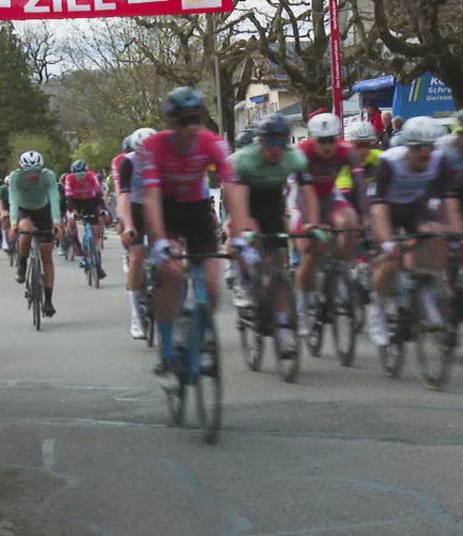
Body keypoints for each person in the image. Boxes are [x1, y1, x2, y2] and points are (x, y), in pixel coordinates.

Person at [136, 86, 234, 378]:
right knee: (172, 273)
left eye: (197, 119)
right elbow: (151, 198)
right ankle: (167, 350)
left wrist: (238, 233)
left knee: (213, 288)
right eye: (183, 121)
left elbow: (233, 187)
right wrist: (161, 242)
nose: (191, 127)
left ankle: (200, 341)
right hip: (164, 211)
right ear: (171, 124)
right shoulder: (153, 147)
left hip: (196, 210)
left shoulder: (211, 142)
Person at [365, 116, 461, 347]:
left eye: (429, 147)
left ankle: (426, 289)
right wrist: (388, 243)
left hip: (415, 208)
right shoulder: (389, 162)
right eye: (418, 148)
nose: (425, 153)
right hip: (387, 210)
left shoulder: (440, 161)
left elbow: (448, 200)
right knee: (391, 258)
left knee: (435, 237)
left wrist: (456, 233)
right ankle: (377, 310)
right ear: (407, 147)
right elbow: (379, 209)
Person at [226, 114, 314, 352]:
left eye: (280, 143)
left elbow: (308, 193)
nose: (275, 150)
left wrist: (312, 224)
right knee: (247, 237)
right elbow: (239, 204)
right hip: (245, 198)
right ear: (260, 142)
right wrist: (245, 227)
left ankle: (284, 326)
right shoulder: (245, 160)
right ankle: (243, 281)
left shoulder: (294, 158)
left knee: (280, 266)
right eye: (269, 143)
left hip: (272, 202)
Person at [294, 112, 364, 336]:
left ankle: (342, 270)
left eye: (331, 140)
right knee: (311, 252)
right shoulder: (301, 153)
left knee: (349, 222)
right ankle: (303, 306)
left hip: (329, 197)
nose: (327, 146)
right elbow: (304, 193)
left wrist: (367, 218)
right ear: (312, 139)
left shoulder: (347, 151)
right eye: (322, 141)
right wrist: (313, 224)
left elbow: (360, 186)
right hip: (302, 200)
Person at [8, 150, 64, 317]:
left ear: (42, 169)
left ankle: (48, 300)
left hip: (43, 210)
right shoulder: (16, 177)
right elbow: (13, 200)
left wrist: (57, 223)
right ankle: (22, 262)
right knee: (25, 230)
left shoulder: (48, 176)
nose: (33, 176)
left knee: (47, 255)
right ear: (22, 170)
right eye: (29, 172)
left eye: (36, 172)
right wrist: (12, 224)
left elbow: (54, 199)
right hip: (24, 210)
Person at [116, 127, 157, 339]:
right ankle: (136, 314)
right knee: (137, 256)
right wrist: (128, 225)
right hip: (135, 206)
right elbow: (124, 196)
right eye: (142, 152)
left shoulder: (163, 159)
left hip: (157, 206)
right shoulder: (128, 162)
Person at [64, 159, 107, 279]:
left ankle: (98, 267)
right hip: (75, 201)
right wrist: (73, 213)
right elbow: (69, 198)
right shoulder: (69, 179)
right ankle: (77, 249)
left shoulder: (92, 176)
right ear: (73, 174)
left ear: (86, 172)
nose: (80, 177)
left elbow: (99, 195)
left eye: (82, 174)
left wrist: (102, 209)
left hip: (90, 201)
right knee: (71, 221)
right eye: (77, 175)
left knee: (95, 236)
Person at [337, 120, 382, 218]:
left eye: (367, 145)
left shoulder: (380, 158)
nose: (364, 151)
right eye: (358, 146)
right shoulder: (341, 164)